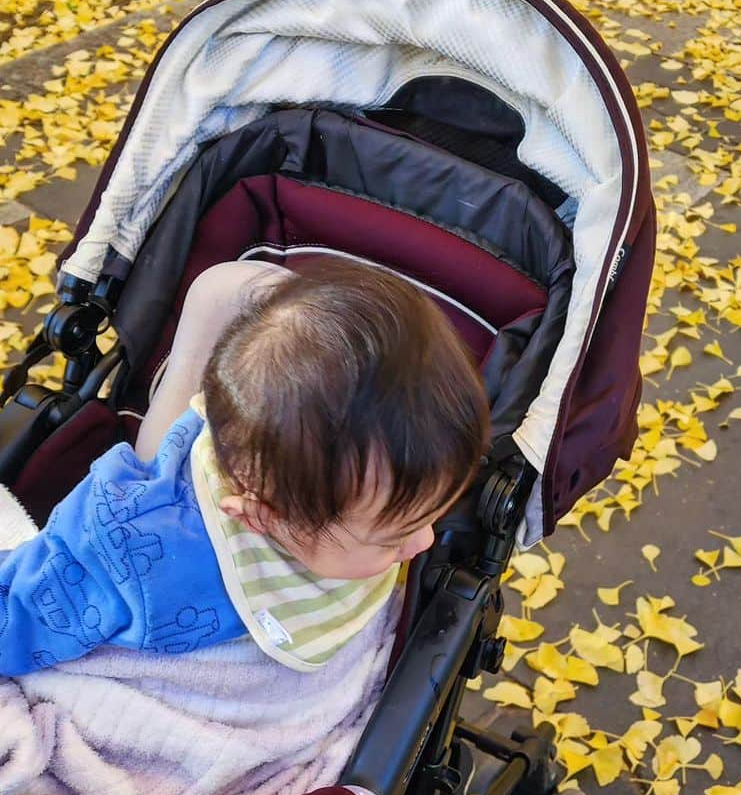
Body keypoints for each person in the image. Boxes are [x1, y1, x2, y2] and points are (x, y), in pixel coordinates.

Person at [0, 257, 490, 675]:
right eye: (393, 536)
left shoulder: (348, 480)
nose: (426, 542)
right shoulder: (132, 551)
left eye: (431, 514)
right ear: (262, 519)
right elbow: (19, 615)